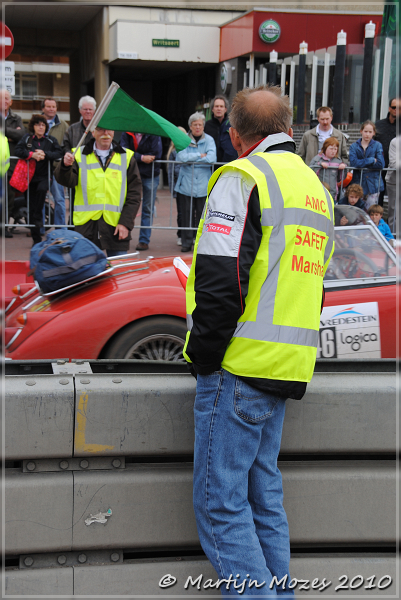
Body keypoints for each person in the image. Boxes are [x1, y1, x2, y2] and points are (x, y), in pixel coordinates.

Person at [183, 84, 335, 596]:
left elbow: (222, 278)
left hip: (238, 366)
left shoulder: (242, 177)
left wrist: (204, 359)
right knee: (263, 497)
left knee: (220, 503)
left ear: (235, 135)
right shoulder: (317, 190)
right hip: (288, 367)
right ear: (290, 129)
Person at [55, 127, 141, 257]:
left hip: (116, 226)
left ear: (113, 132)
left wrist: (125, 223)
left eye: (109, 130)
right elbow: (67, 181)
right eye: (101, 130)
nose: (105, 133)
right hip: (86, 226)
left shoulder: (127, 157)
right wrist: (65, 166)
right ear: (93, 132)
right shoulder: (78, 154)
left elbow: (134, 194)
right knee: (86, 273)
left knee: (118, 273)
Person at [14, 114, 63, 246]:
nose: (40, 127)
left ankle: (39, 221)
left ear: (46, 127)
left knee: (41, 196)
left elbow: (59, 153)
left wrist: (45, 155)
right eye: (38, 124)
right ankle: (36, 239)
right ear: (33, 126)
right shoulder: (28, 139)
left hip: (45, 176)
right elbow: (18, 151)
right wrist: (32, 155)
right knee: (31, 208)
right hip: (29, 178)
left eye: (43, 125)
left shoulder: (51, 140)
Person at [174, 112, 216, 252]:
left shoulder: (209, 140)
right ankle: (186, 243)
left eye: (200, 124)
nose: (198, 127)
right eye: (195, 124)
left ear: (203, 126)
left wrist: (192, 158)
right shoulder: (183, 139)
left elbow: (211, 158)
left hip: (204, 184)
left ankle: (200, 244)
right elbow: (181, 157)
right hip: (186, 183)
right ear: (190, 126)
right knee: (186, 214)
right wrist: (199, 155)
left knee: (202, 216)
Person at [120, 131, 162, 251]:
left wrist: (135, 156)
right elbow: (123, 152)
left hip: (150, 175)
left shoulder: (153, 133)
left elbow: (155, 154)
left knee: (147, 208)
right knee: (126, 205)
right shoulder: (126, 133)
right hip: (131, 173)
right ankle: (123, 234)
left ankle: (144, 240)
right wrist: (142, 157)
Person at [1, 89, 26, 237]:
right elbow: (14, 134)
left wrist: (3, 131)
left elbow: (21, 135)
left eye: (6, 98)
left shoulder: (17, 118)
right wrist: (11, 134)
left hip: (9, 166)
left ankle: (3, 227)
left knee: (8, 198)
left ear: (10, 102)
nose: (3, 101)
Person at [41, 97, 69, 227]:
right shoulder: (37, 122)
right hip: (39, 169)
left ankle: (60, 229)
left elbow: (67, 145)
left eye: (53, 107)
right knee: (39, 199)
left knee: (59, 200)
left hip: (56, 169)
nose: (51, 109)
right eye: (48, 106)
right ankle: (39, 228)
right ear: (43, 108)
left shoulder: (63, 125)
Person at [349, 120, 385, 210]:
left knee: (371, 210)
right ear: (361, 131)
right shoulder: (354, 146)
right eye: (365, 131)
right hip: (359, 183)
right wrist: (371, 160)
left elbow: (381, 164)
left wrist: (361, 164)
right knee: (358, 211)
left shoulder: (378, 145)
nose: (367, 134)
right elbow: (354, 163)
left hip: (374, 184)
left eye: (370, 132)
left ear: (373, 133)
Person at [375, 97, 400, 206]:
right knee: (378, 197)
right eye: (394, 107)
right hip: (380, 166)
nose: (397, 110)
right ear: (389, 108)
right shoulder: (379, 125)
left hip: (395, 168)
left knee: (395, 201)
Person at [308, 136, 347, 201]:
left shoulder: (338, 160)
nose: (333, 151)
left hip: (333, 191)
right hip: (319, 190)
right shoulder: (317, 159)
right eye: (331, 149)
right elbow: (310, 171)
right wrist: (319, 164)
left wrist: (343, 168)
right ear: (325, 148)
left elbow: (341, 178)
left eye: (335, 149)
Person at [166, 126, 186, 246]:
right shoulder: (173, 153)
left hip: (189, 185)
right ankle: (180, 234)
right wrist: (172, 188)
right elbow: (170, 172)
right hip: (179, 186)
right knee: (181, 212)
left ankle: (190, 234)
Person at [204, 95, 237, 164]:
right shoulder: (206, 126)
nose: (219, 109)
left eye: (221, 106)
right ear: (212, 109)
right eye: (216, 106)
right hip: (210, 165)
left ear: (225, 109)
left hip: (228, 164)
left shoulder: (232, 125)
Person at [385, 136, 400, 233]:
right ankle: (393, 238)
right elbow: (394, 163)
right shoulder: (395, 142)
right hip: (394, 181)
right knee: (394, 212)